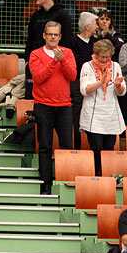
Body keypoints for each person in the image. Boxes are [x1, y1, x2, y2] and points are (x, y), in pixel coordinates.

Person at [29, 21, 77, 194]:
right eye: (50, 34)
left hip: (64, 105)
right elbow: (39, 77)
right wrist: (53, 62)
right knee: (45, 146)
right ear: (44, 36)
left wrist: (62, 60)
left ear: (60, 36)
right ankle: (46, 184)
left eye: (56, 35)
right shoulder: (35, 54)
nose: (53, 38)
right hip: (43, 105)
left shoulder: (68, 52)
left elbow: (72, 75)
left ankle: (65, 183)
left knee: (67, 145)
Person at [79, 39, 127, 175]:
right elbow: (84, 90)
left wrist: (118, 85)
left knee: (109, 148)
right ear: (96, 54)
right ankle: (97, 176)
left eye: (108, 57)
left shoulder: (116, 66)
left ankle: (108, 177)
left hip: (111, 114)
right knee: (96, 148)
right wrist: (100, 82)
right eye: (102, 56)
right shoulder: (87, 66)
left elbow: (122, 92)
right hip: (93, 114)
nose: (106, 59)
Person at [24, 0, 73, 98]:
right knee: (31, 94)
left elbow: (66, 39)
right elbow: (30, 38)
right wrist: (27, 59)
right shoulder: (35, 16)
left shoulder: (63, 15)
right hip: (36, 61)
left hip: (56, 60)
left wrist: (60, 57)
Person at [69, 12, 99, 150]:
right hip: (77, 82)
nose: (97, 26)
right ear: (87, 27)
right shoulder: (72, 42)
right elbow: (76, 62)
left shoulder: (96, 42)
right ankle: (77, 146)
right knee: (76, 115)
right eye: (95, 24)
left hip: (94, 84)